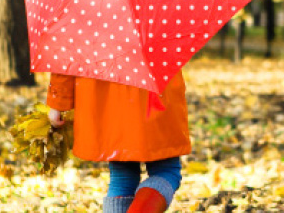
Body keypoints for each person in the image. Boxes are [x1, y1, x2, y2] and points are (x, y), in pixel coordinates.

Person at [46, 71, 190, 213]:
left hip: (107, 97)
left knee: (123, 178)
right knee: (166, 171)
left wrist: (58, 100)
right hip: (155, 92)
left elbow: (66, 55)